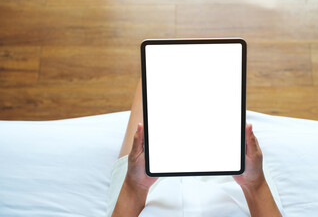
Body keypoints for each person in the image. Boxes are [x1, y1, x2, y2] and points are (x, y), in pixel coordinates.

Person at [111, 79, 282, 217]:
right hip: (239, 187)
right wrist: (255, 184)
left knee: (151, 81)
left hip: (143, 193)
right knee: (220, 82)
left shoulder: (138, 183)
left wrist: (136, 185)